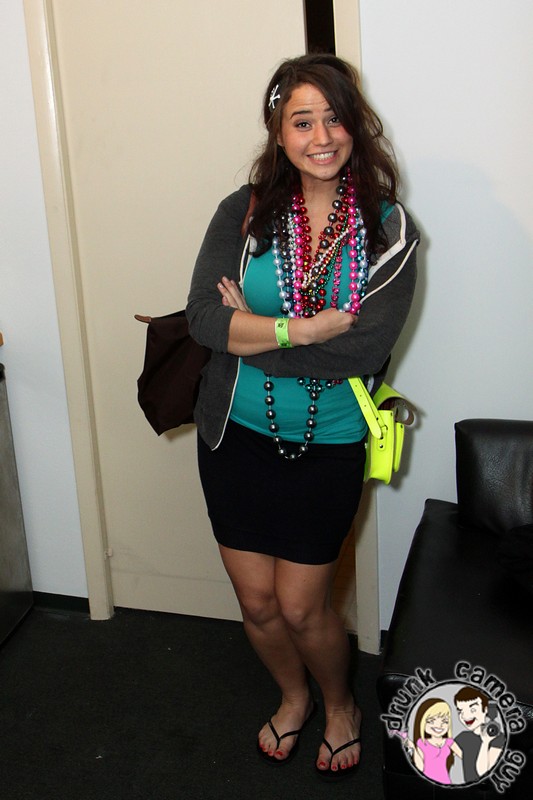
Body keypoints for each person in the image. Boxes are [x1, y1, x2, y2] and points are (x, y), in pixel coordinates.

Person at [186, 53, 419, 779]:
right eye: (302, 121)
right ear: (279, 132)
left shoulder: (387, 227)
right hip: (234, 435)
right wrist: (305, 329)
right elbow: (202, 321)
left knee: (302, 608)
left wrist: (251, 332)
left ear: (356, 125)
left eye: (334, 118)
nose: (321, 136)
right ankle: (293, 697)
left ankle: (339, 703)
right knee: (257, 603)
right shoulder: (245, 211)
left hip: (330, 442)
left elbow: (363, 351)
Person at [405, 698, 463, 785]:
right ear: (422, 722)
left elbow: (465, 757)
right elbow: (420, 768)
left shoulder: (449, 742)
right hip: (426, 783)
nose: (439, 725)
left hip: (445, 782)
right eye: (431, 721)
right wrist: (413, 748)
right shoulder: (422, 743)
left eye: (445, 721)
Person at [454, 687, 505, 783]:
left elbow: (483, 772)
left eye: (473, 710)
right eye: (460, 711)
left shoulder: (498, 738)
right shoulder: (463, 737)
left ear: (485, 710)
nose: (465, 716)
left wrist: (485, 742)